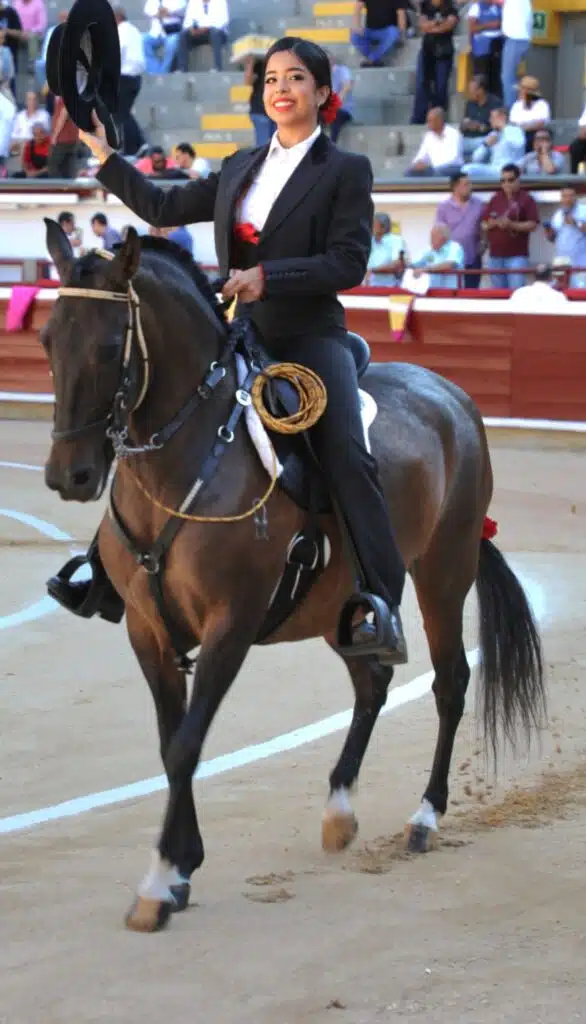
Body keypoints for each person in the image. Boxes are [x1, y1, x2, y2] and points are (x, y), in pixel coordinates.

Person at [75, 34, 409, 666]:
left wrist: (267, 277)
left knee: (346, 453)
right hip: (241, 332)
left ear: (322, 93)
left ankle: (378, 605)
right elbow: (164, 203)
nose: (281, 88)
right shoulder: (240, 167)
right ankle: (105, 572)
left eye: (296, 78)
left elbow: (349, 261)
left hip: (311, 337)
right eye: (271, 79)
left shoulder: (344, 171)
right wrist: (107, 157)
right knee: (151, 419)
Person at [480, 161, 538, 288]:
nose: (506, 184)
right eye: (503, 180)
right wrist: (494, 223)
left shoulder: (526, 199)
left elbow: (533, 225)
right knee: (498, 297)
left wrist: (511, 224)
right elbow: (484, 224)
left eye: (510, 180)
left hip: (516, 256)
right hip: (495, 256)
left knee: (516, 295)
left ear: (518, 180)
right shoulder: (495, 198)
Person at [435, 172, 485, 287]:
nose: (470, 187)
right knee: (454, 295)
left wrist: (484, 243)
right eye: (466, 184)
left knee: (471, 295)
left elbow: (484, 226)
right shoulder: (443, 207)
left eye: (470, 184)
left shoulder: (479, 204)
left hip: (473, 259)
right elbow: (439, 232)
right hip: (452, 261)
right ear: (455, 187)